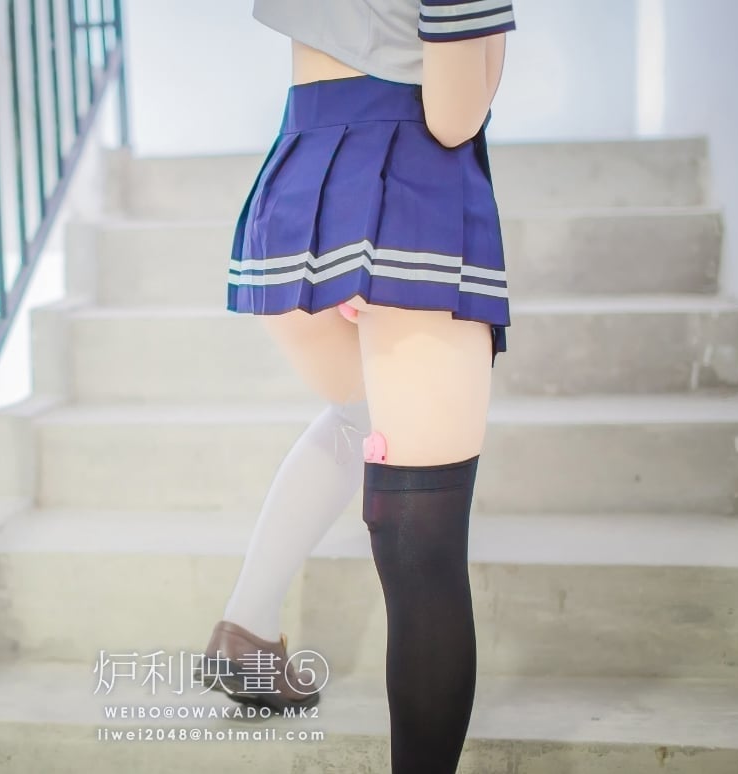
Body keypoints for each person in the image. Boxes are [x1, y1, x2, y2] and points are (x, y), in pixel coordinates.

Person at [200, 1, 515, 771]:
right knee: (421, 538)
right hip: (409, 186)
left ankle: (248, 626)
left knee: (361, 417)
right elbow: (453, 116)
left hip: (300, 179)